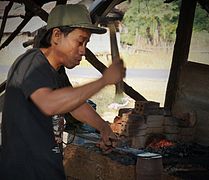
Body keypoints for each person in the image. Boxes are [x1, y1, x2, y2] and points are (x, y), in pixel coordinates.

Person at [0, 4, 125, 180]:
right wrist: (104, 81)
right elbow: (49, 104)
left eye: (86, 43)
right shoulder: (31, 63)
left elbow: (76, 107)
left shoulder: (56, 72)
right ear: (57, 35)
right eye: (79, 41)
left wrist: (104, 127)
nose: (83, 51)